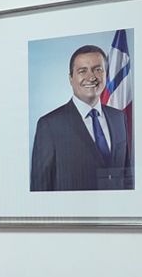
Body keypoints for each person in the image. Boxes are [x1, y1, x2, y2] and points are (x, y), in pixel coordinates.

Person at [30, 44, 133, 192]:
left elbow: (127, 177)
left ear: (106, 74)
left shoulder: (119, 118)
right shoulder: (50, 125)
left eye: (98, 69)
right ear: (71, 78)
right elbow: (40, 188)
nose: (91, 77)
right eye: (82, 71)